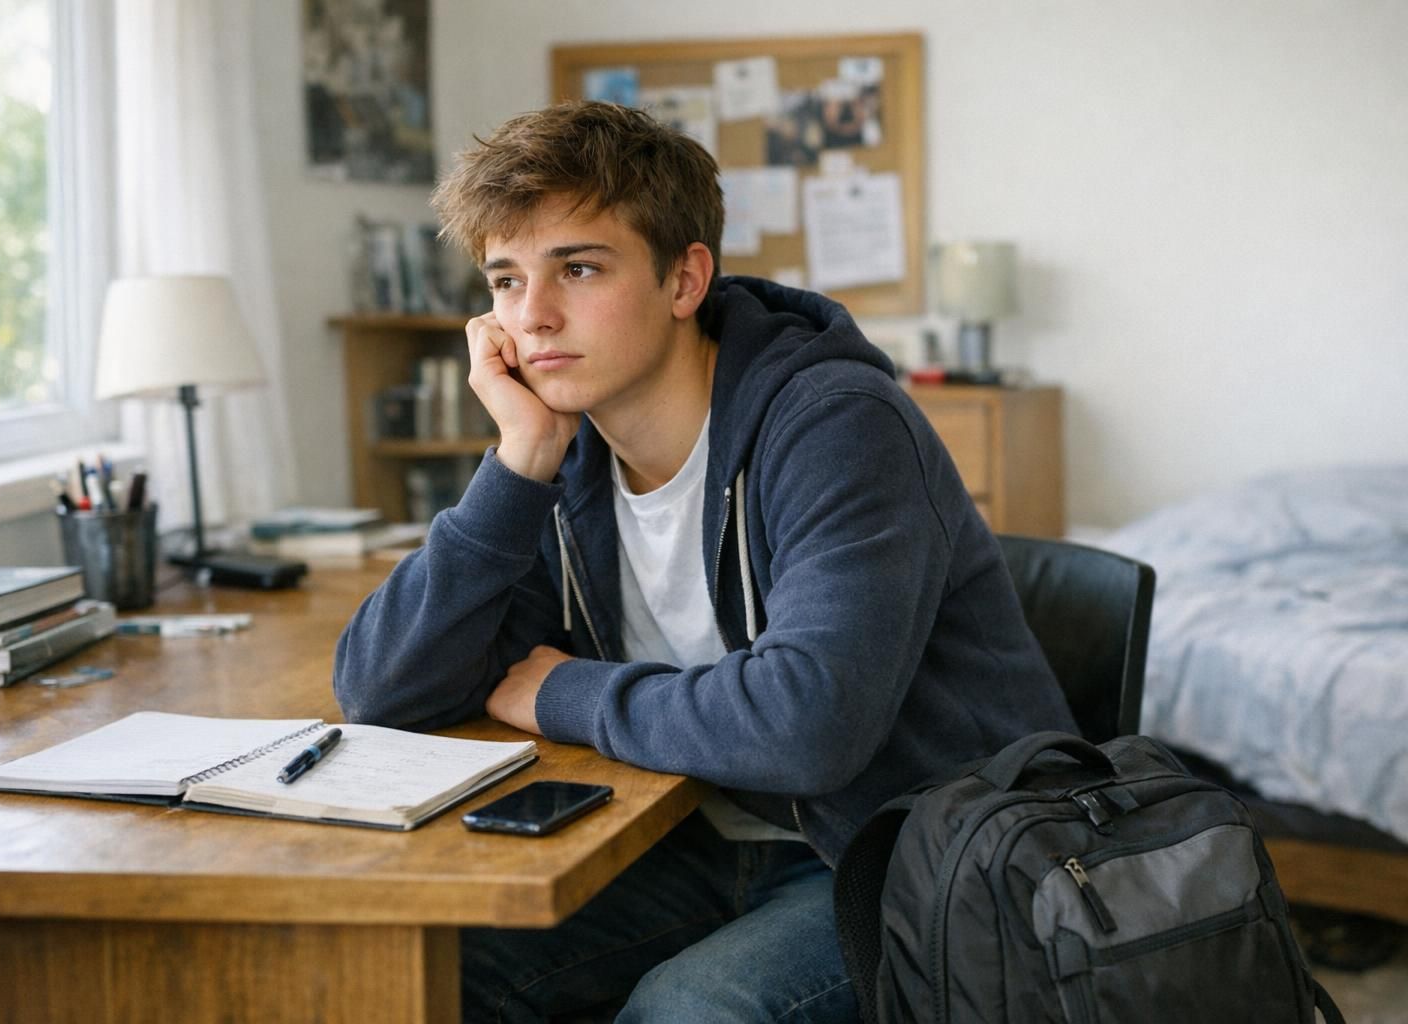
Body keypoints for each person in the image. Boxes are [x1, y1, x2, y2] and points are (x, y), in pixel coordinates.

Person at [333, 100, 1075, 1022]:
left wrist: (566, 691)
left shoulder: (836, 423)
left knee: (690, 1014)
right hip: (692, 839)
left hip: (911, 858)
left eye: (579, 268)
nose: (535, 317)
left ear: (685, 280)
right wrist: (518, 461)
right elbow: (381, 692)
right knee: (412, 977)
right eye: (506, 280)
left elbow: (808, 725)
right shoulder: (561, 453)